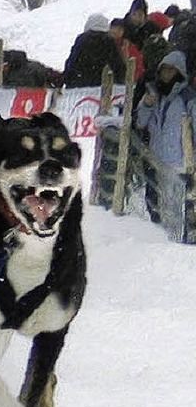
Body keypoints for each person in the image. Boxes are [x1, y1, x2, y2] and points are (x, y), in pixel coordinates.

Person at [135, 50, 196, 242]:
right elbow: (140, 123)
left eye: (171, 70)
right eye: (164, 70)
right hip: (156, 159)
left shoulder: (188, 98)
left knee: (178, 207)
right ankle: (160, 242)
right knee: (156, 206)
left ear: (179, 72)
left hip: (180, 161)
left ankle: (177, 244)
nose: (166, 74)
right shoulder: (152, 93)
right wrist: (146, 104)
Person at [63, 13, 126, 87]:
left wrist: (68, 78)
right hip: (101, 86)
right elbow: (118, 66)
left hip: (78, 84)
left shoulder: (81, 40)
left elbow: (72, 62)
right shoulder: (109, 41)